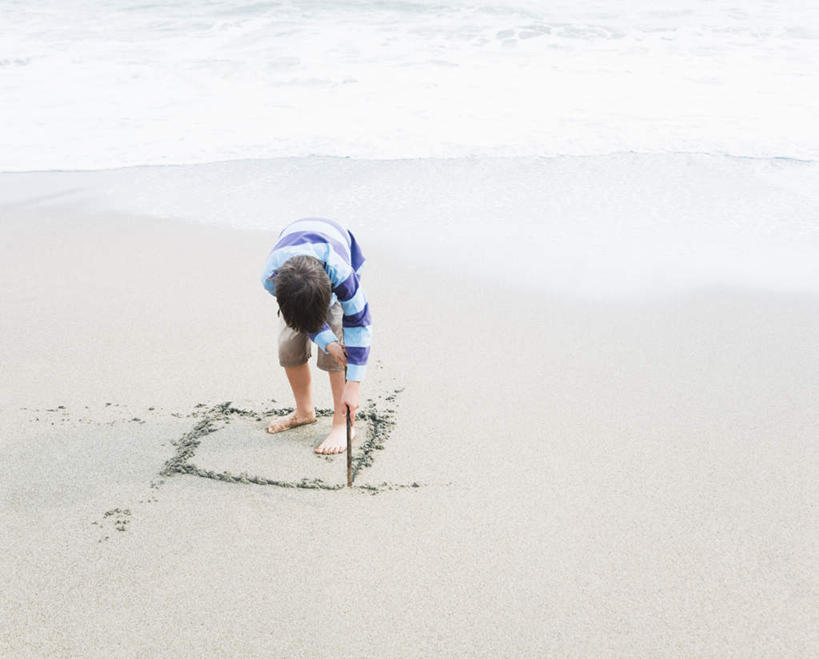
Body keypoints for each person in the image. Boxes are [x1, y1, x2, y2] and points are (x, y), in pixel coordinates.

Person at [260, 217, 372, 455]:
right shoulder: (271, 278)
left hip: (337, 259)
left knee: (337, 356)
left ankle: (343, 424)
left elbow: (359, 324)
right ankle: (304, 412)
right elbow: (301, 316)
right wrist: (325, 340)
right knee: (288, 348)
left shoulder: (343, 278)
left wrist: (354, 385)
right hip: (296, 282)